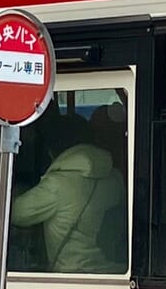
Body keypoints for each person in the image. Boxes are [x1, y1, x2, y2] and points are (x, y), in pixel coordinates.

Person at [11, 115, 127, 274]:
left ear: (53, 151)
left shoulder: (57, 185)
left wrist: (19, 189)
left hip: (73, 277)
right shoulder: (115, 178)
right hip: (113, 273)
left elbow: (15, 214)